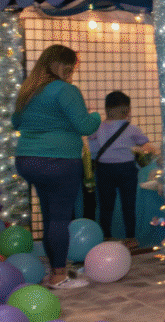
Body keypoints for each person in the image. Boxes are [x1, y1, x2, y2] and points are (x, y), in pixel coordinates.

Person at [12, 45, 101, 289]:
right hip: (59, 161)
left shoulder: (28, 91)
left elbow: (15, 122)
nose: (71, 72)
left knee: (50, 215)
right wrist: (96, 116)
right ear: (60, 64)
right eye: (70, 67)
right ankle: (59, 275)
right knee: (59, 218)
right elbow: (84, 126)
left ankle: (55, 269)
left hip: (28, 159)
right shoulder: (65, 90)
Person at [87, 91, 155, 249]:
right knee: (128, 204)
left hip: (104, 169)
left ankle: (106, 236)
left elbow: (93, 149)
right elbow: (145, 146)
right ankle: (131, 237)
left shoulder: (98, 128)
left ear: (106, 109)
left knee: (105, 205)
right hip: (127, 169)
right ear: (127, 110)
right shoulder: (132, 129)